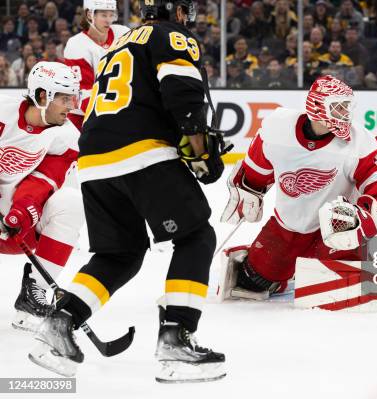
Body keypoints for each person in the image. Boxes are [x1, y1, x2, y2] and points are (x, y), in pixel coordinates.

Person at [28, 0, 228, 383]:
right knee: (196, 236)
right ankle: (177, 337)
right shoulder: (172, 35)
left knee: (120, 253)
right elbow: (182, 96)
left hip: (93, 161)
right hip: (142, 153)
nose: (188, 16)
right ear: (176, 9)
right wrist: (202, 151)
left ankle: (60, 322)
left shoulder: (118, 45)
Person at [219, 75, 377, 300]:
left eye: (347, 107)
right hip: (287, 226)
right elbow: (258, 166)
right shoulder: (278, 127)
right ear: (318, 107)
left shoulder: (359, 141)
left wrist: (363, 213)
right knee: (253, 281)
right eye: (339, 107)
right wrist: (249, 189)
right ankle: (287, 272)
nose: (345, 114)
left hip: (335, 230)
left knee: (333, 285)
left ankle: (342, 264)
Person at [0, 61, 83, 332]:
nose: (71, 105)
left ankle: (33, 293)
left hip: (14, 228)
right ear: (42, 96)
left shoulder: (68, 136)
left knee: (70, 203)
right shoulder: (3, 111)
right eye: (64, 98)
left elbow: (44, 181)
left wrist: (20, 212)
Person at [63, 0, 130, 130]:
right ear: (89, 15)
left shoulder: (123, 33)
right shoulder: (76, 45)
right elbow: (82, 94)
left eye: (111, 15)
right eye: (103, 15)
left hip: (120, 109)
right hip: (84, 120)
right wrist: (115, 112)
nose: (108, 20)